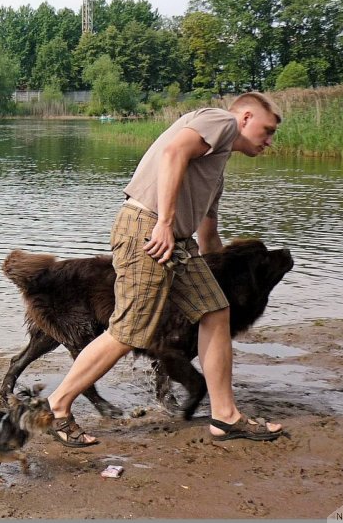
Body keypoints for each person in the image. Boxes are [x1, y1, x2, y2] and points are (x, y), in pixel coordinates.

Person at [46, 92, 285, 447]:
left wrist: (216, 265)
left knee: (215, 311)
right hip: (150, 229)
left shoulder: (216, 159)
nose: (268, 141)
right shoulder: (220, 121)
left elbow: (208, 224)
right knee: (130, 330)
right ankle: (57, 406)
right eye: (267, 131)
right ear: (246, 118)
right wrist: (165, 222)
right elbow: (174, 152)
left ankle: (226, 417)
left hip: (178, 239)